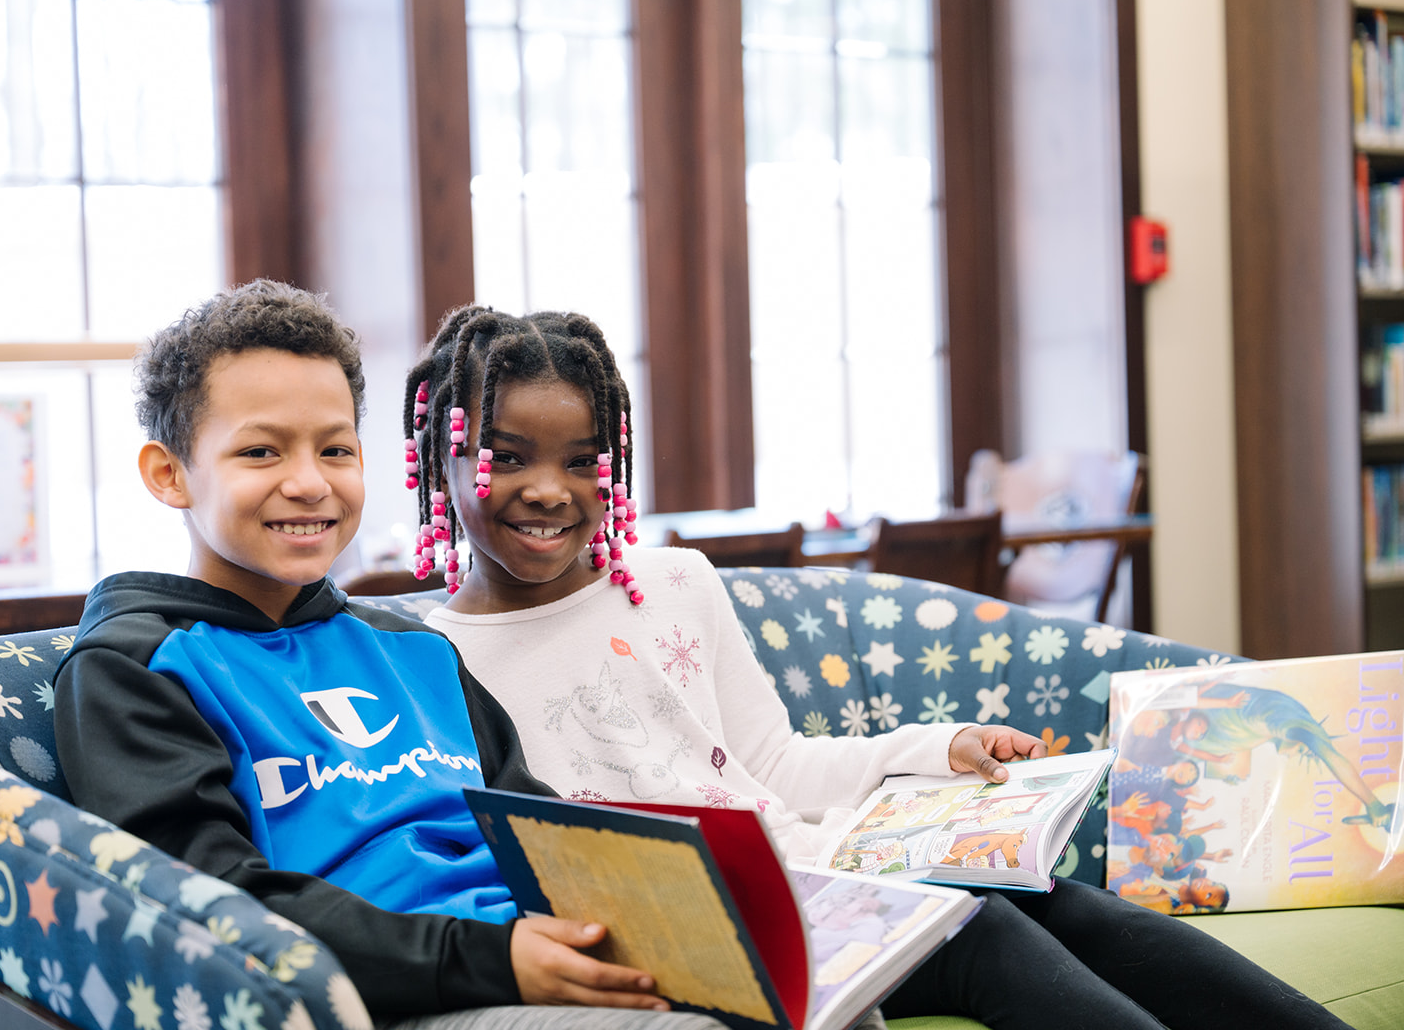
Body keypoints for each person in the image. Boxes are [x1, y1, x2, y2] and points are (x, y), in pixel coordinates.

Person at [400, 303, 1356, 1030]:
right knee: (976, 925)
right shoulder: (428, 660)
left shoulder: (674, 581)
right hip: (724, 942)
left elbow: (775, 767)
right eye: (505, 456)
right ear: (440, 458)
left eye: (583, 459)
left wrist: (941, 747)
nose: (548, 491)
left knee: (1045, 893)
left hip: (829, 868)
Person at [51, 280, 726, 1030]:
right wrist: (491, 960)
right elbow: (208, 900)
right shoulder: (135, 667)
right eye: (260, 450)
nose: (309, 483)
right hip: (398, 996)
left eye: (335, 448)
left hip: (534, 959)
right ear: (168, 473)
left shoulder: (415, 650)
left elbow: (543, 833)